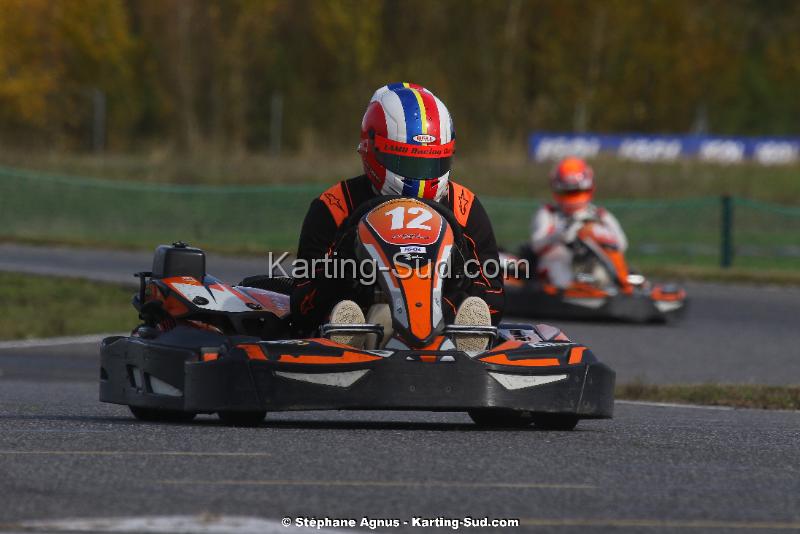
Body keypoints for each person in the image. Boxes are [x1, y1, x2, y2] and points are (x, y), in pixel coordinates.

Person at [290, 82, 504, 350]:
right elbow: (302, 305)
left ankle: (459, 335)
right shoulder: (335, 206)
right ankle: (349, 333)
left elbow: (494, 294)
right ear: (372, 149)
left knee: (473, 311)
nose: (423, 174)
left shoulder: (464, 206)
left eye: (432, 162)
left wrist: (458, 274)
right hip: (362, 317)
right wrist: (345, 257)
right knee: (351, 314)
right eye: (410, 163)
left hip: (444, 322)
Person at [529, 157, 627, 288]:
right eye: (567, 192)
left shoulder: (601, 216)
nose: (572, 196)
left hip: (592, 266)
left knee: (605, 273)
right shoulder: (548, 214)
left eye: (576, 191)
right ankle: (569, 293)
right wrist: (559, 235)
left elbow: (621, 244)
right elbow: (536, 245)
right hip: (556, 269)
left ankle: (615, 289)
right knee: (558, 263)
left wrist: (592, 234)